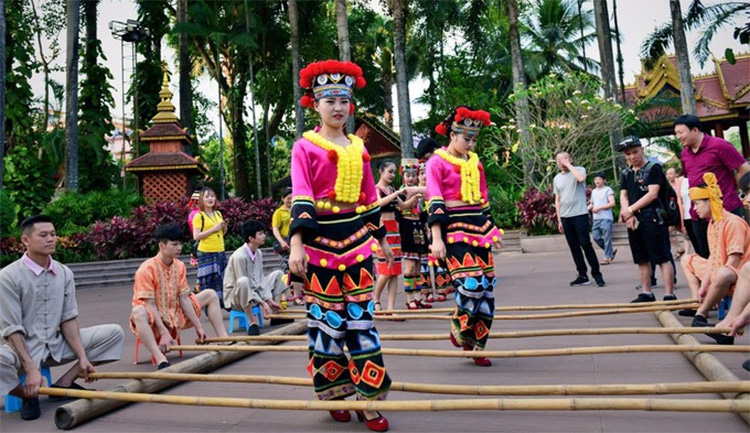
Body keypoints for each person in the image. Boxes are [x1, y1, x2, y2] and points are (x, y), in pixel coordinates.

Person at [289, 59, 392, 431]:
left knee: (363, 323)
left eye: (344, 101)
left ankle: (369, 399)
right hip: (318, 246)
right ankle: (333, 390)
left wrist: (381, 240)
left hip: (357, 244)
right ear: (314, 104)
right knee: (326, 324)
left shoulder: (359, 148)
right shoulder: (304, 147)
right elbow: (301, 195)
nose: (337, 108)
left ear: (350, 105)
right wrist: (296, 245)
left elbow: (368, 201)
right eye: (329, 100)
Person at [0, 215, 125, 421]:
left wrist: (83, 357)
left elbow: (68, 318)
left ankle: (64, 383)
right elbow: (12, 328)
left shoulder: (64, 273)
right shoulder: (8, 276)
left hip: (55, 346)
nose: (51, 239)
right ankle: (28, 396)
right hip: (18, 349)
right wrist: (31, 369)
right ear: (25, 241)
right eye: (43, 235)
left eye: (53, 234)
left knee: (113, 333)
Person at [428, 106, 504, 367]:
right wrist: (436, 239)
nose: (470, 143)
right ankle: (459, 327)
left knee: (488, 290)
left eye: (474, 139)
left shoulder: (476, 162)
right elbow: (435, 200)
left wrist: (493, 231)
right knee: (472, 285)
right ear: (452, 134)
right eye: (466, 138)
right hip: (453, 230)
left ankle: (476, 345)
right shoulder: (436, 162)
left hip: (479, 230)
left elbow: (484, 201)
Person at [130, 222, 229, 370]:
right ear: (161, 246)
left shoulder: (179, 266)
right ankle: (160, 357)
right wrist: (163, 332)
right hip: (153, 321)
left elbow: (184, 298)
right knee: (138, 311)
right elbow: (149, 304)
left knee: (210, 294)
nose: (179, 248)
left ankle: (224, 339)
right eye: (174, 244)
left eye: (180, 244)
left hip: (175, 314)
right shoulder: (146, 269)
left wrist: (199, 327)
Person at [679, 173, 750, 335]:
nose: (694, 209)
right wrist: (705, 286)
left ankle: (701, 313)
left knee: (724, 273)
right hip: (725, 272)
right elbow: (713, 257)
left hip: (735, 276)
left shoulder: (732, 222)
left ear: (710, 201)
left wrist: (715, 285)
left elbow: (733, 261)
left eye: (696, 204)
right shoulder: (713, 223)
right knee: (687, 259)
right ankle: (700, 301)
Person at [675, 114, 750, 258]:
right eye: (676, 133)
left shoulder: (719, 145)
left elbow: (744, 169)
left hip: (725, 208)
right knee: (705, 258)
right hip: (698, 213)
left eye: (681, 132)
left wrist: (731, 190)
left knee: (732, 256)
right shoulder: (684, 154)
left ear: (695, 130)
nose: (678, 136)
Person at [617, 136, 676, 303]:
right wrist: (627, 213)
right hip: (634, 219)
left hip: (653, 217)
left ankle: (669, 294)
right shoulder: (626, 172)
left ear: (642, 149)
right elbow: (623, 194)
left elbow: (652, 193)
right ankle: (646, 292)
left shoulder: (653, 168)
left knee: (662, 257)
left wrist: (629, 210)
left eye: (635, 152)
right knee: (641, 257)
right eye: (627, 154)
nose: (631, 157)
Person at [224, 220, 288, 335]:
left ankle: (275, 315)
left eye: (263, 233)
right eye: (260, 233)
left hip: (255, 290)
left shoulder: (258, 252)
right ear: (251, 238)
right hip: (237, 297)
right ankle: (252, 321)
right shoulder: (239, 256)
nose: (264, 236)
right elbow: (243, 284)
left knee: (279, 274)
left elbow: (260, 279)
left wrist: (269, 300)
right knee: (243, 281)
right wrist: (262, 302)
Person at [553, 152, 606, 287]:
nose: (561, 161)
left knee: (585, 244)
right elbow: (557, 199)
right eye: (559, 160)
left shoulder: (579, 170)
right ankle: (582, 275)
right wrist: (559, 219)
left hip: (580, 214)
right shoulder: (557, 178)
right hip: (565, 217)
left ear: (570, 159)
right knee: (574, 247)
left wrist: (568, 164)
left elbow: (581, 179)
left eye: (564, 158)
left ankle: (597, 274)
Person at [373, 160, 417, 313]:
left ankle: (391, 307)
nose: (392, 175)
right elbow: (377, 204)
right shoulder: (377, 189)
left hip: (395, 230)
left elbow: (404, 206)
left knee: (395, 271)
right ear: (381, 171)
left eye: (393, 172)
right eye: (389, 171)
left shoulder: (391, 189)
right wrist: (397, 193)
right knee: (385, 270)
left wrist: (416, 195)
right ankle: (376, 299)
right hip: (382, 230)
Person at [397, 158, 430, 309]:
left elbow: (423, 213)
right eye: (407, 175)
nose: (411, 178)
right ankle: (409, 298)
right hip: (407, 228)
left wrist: (427, 228)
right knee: (409, 267)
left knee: (418, 267)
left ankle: (418, 297)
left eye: (413, 175)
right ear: (403, 176)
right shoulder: (400, 193)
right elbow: (402, 210)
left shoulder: (419, 193)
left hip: (419, 229)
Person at [192, 187, 228, 305]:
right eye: (207, 196)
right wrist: (214, 229)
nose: (210, 199)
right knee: (208, 281)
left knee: (221, 279)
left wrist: (223, 227)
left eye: (212, 196)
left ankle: (220, 304)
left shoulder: (218, 213)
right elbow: (196, 236)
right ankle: (208, 305)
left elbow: (222, 233)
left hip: (220, 250)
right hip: (206, 252)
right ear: (202, 199)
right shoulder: (199, 216)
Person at [272, 187, 303, 305]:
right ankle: (284, 296)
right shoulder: (278, 213)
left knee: (298, 270)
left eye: (292, 198)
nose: (290, 200)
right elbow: (275, 229)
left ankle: (297, 296)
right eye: (288, 198)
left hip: (297, 243)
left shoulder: (297, 209)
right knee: (286, 271)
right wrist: (281, 242)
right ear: (282, 199)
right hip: (285, 244)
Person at [589, 171, 617, 265]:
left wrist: (600, 208)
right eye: (596, 179)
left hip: (606, 218)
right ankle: (610, 252)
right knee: (596, 237)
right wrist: (586, 209)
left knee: (606, 238)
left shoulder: (608, 190)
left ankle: (607, 257)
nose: (597, 181)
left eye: (599, 179)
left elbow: (612, 203)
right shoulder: (593, 191)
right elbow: (592, 204)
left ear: (604, 180)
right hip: (596, 218)